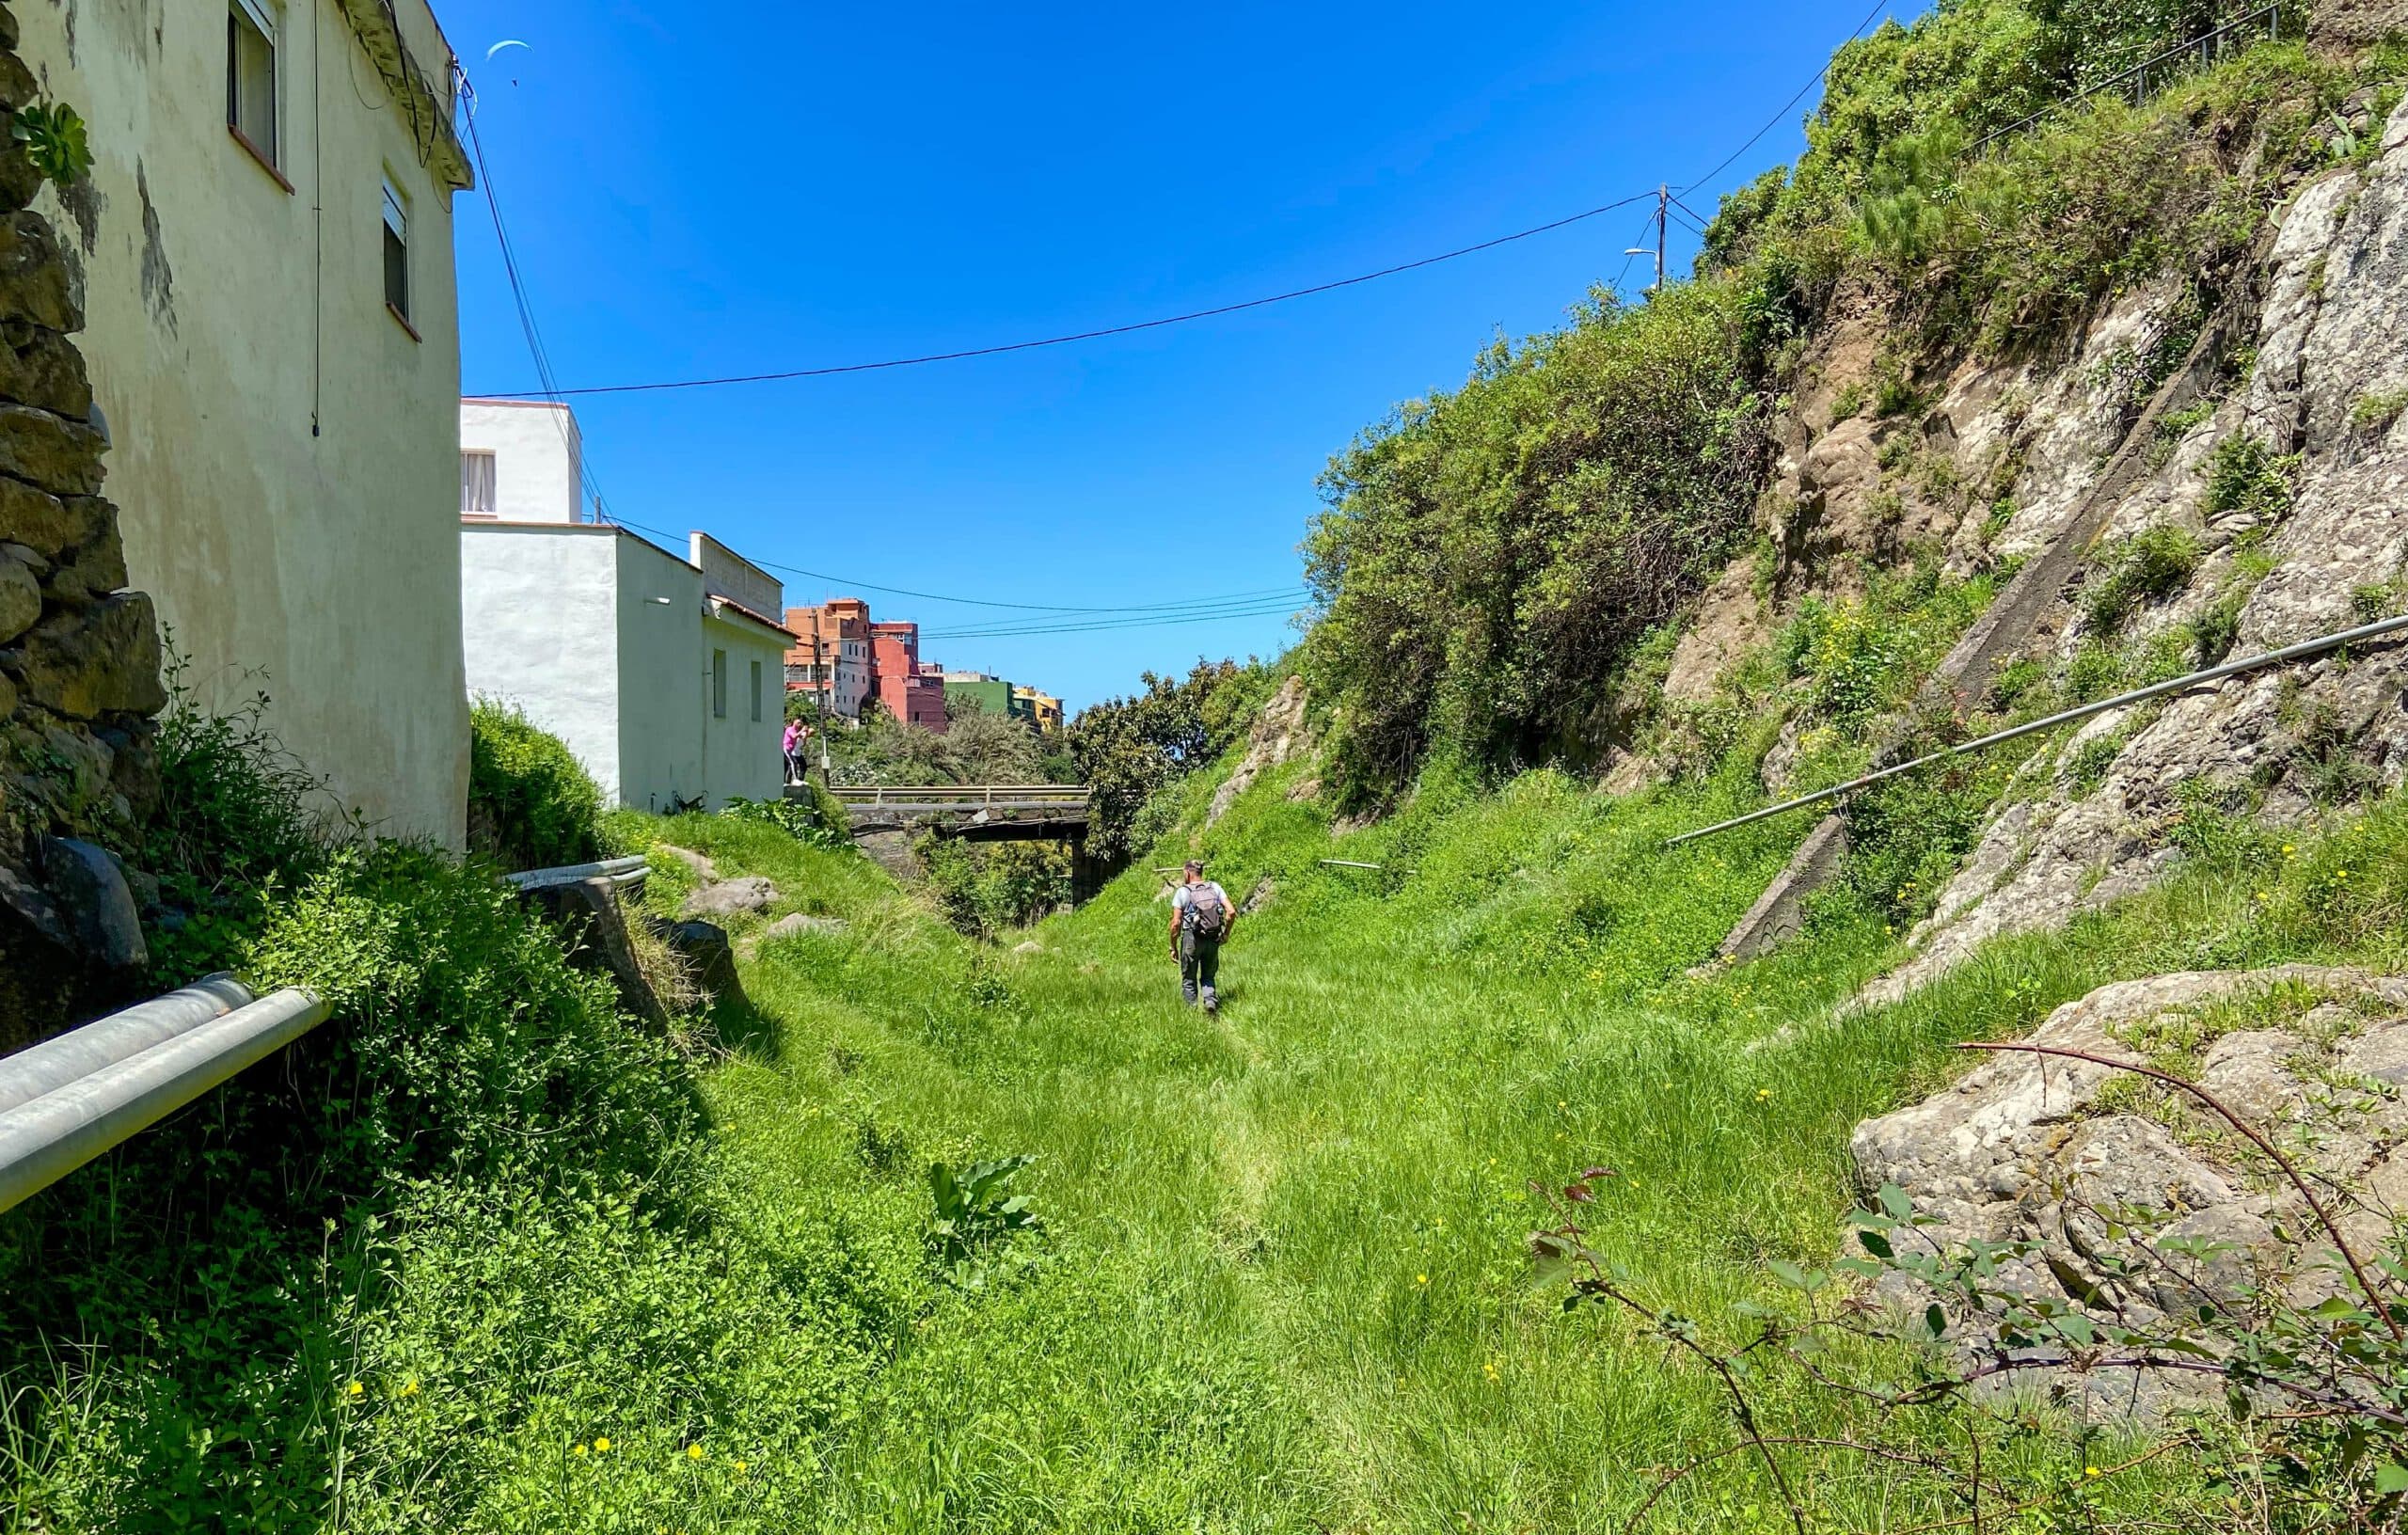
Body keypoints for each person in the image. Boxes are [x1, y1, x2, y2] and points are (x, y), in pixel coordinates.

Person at [1166, 860, 1234, 1013]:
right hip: (1213, 937)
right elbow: (1231, 912)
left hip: (1192, 938)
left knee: (1189, 978)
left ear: (1187, 873)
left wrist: (1173, 946)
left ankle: (1191, 1012)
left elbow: (1175, 923)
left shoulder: (1182, 892)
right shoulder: (1215, 887)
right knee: (1208, 975)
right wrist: (1226, 934)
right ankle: (1210, 1001)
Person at [782, 718, 806, 783]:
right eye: (798, 723)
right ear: (794, 723)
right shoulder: (790, 729)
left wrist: (805, 733)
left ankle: (787, 781)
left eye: (801, 723)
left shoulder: (796, 730)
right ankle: (795, 779)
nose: (800, 724)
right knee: (793, 763)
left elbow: (802, 738)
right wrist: (802, 730)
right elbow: (794, 736)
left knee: (789, 765)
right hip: (786, 748)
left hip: (790, 750)